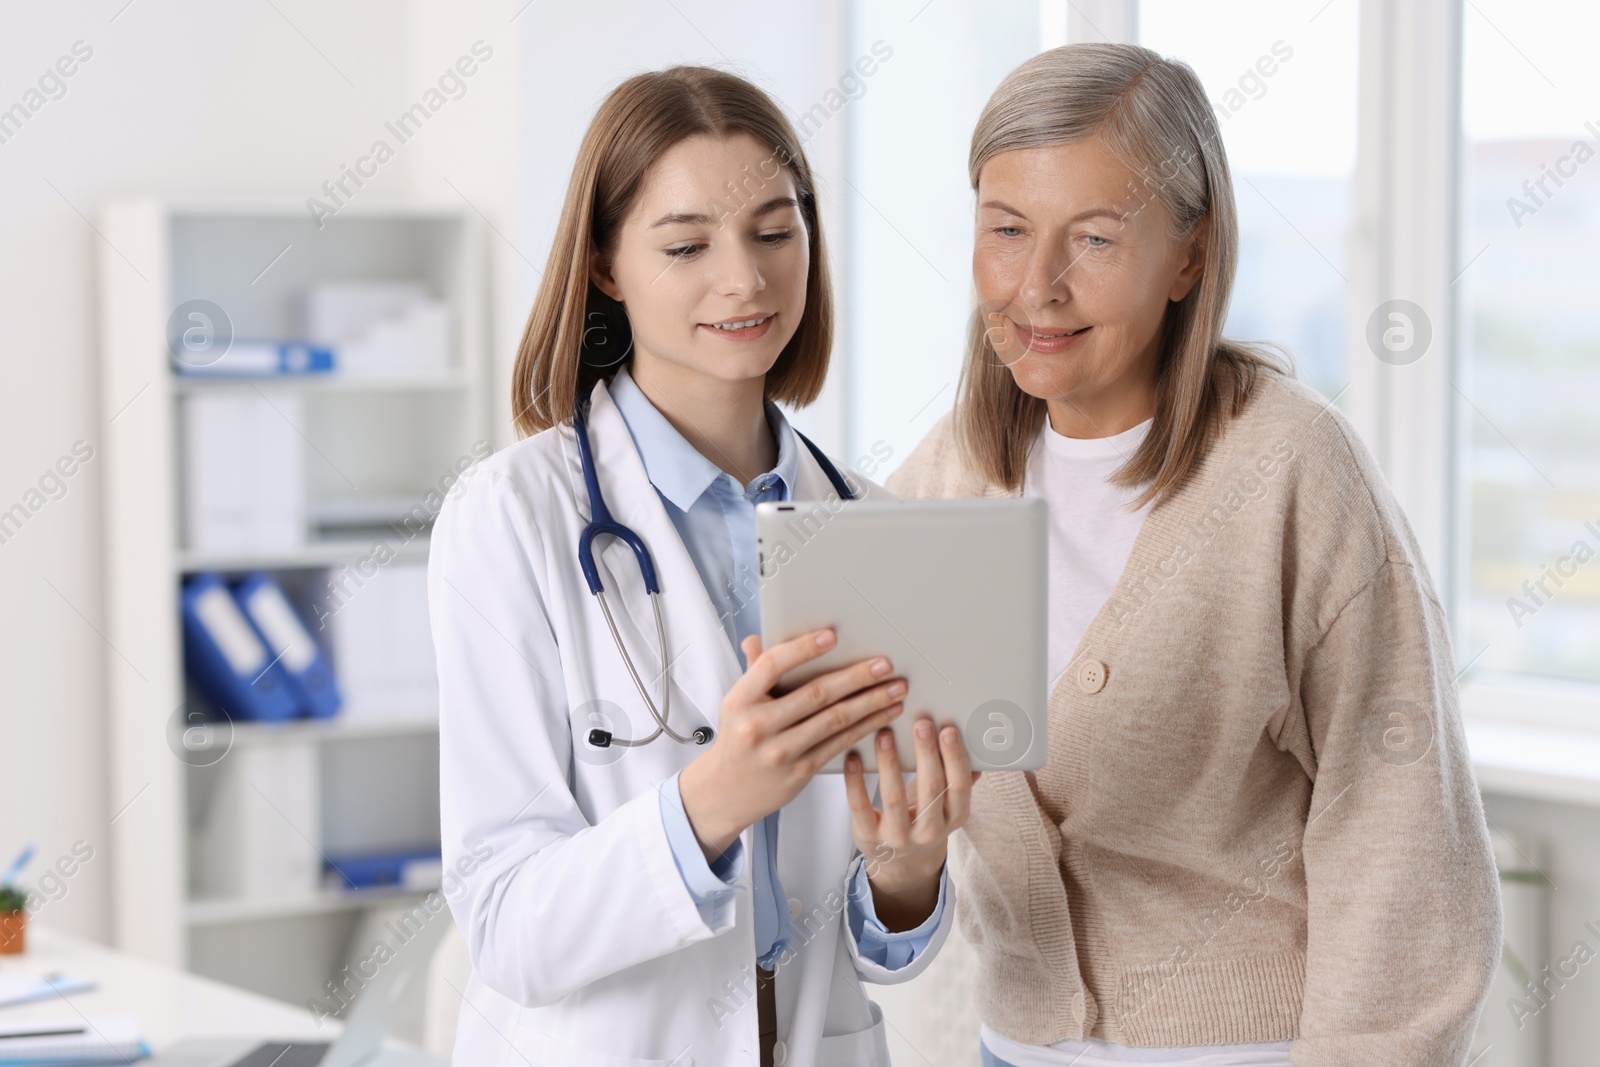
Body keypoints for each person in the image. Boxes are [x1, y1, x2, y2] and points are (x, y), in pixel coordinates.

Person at [887, 43, 1501, 1067]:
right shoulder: (943, 471)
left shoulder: (1292, 464)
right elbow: (886, 818)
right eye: (1005, 231)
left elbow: (1396, 827)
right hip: (1014, 1043)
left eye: (1091, 236)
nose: (1036, 285)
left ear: (1188, 254)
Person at [429, 65, 977, 1067]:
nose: (746, 279)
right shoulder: (508, 518)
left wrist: (906, 870)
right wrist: (713, 795)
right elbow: (505, 922)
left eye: (775, 232)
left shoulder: (873, 524)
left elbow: (879, 943)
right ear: (603, 265)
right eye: (686, 244)